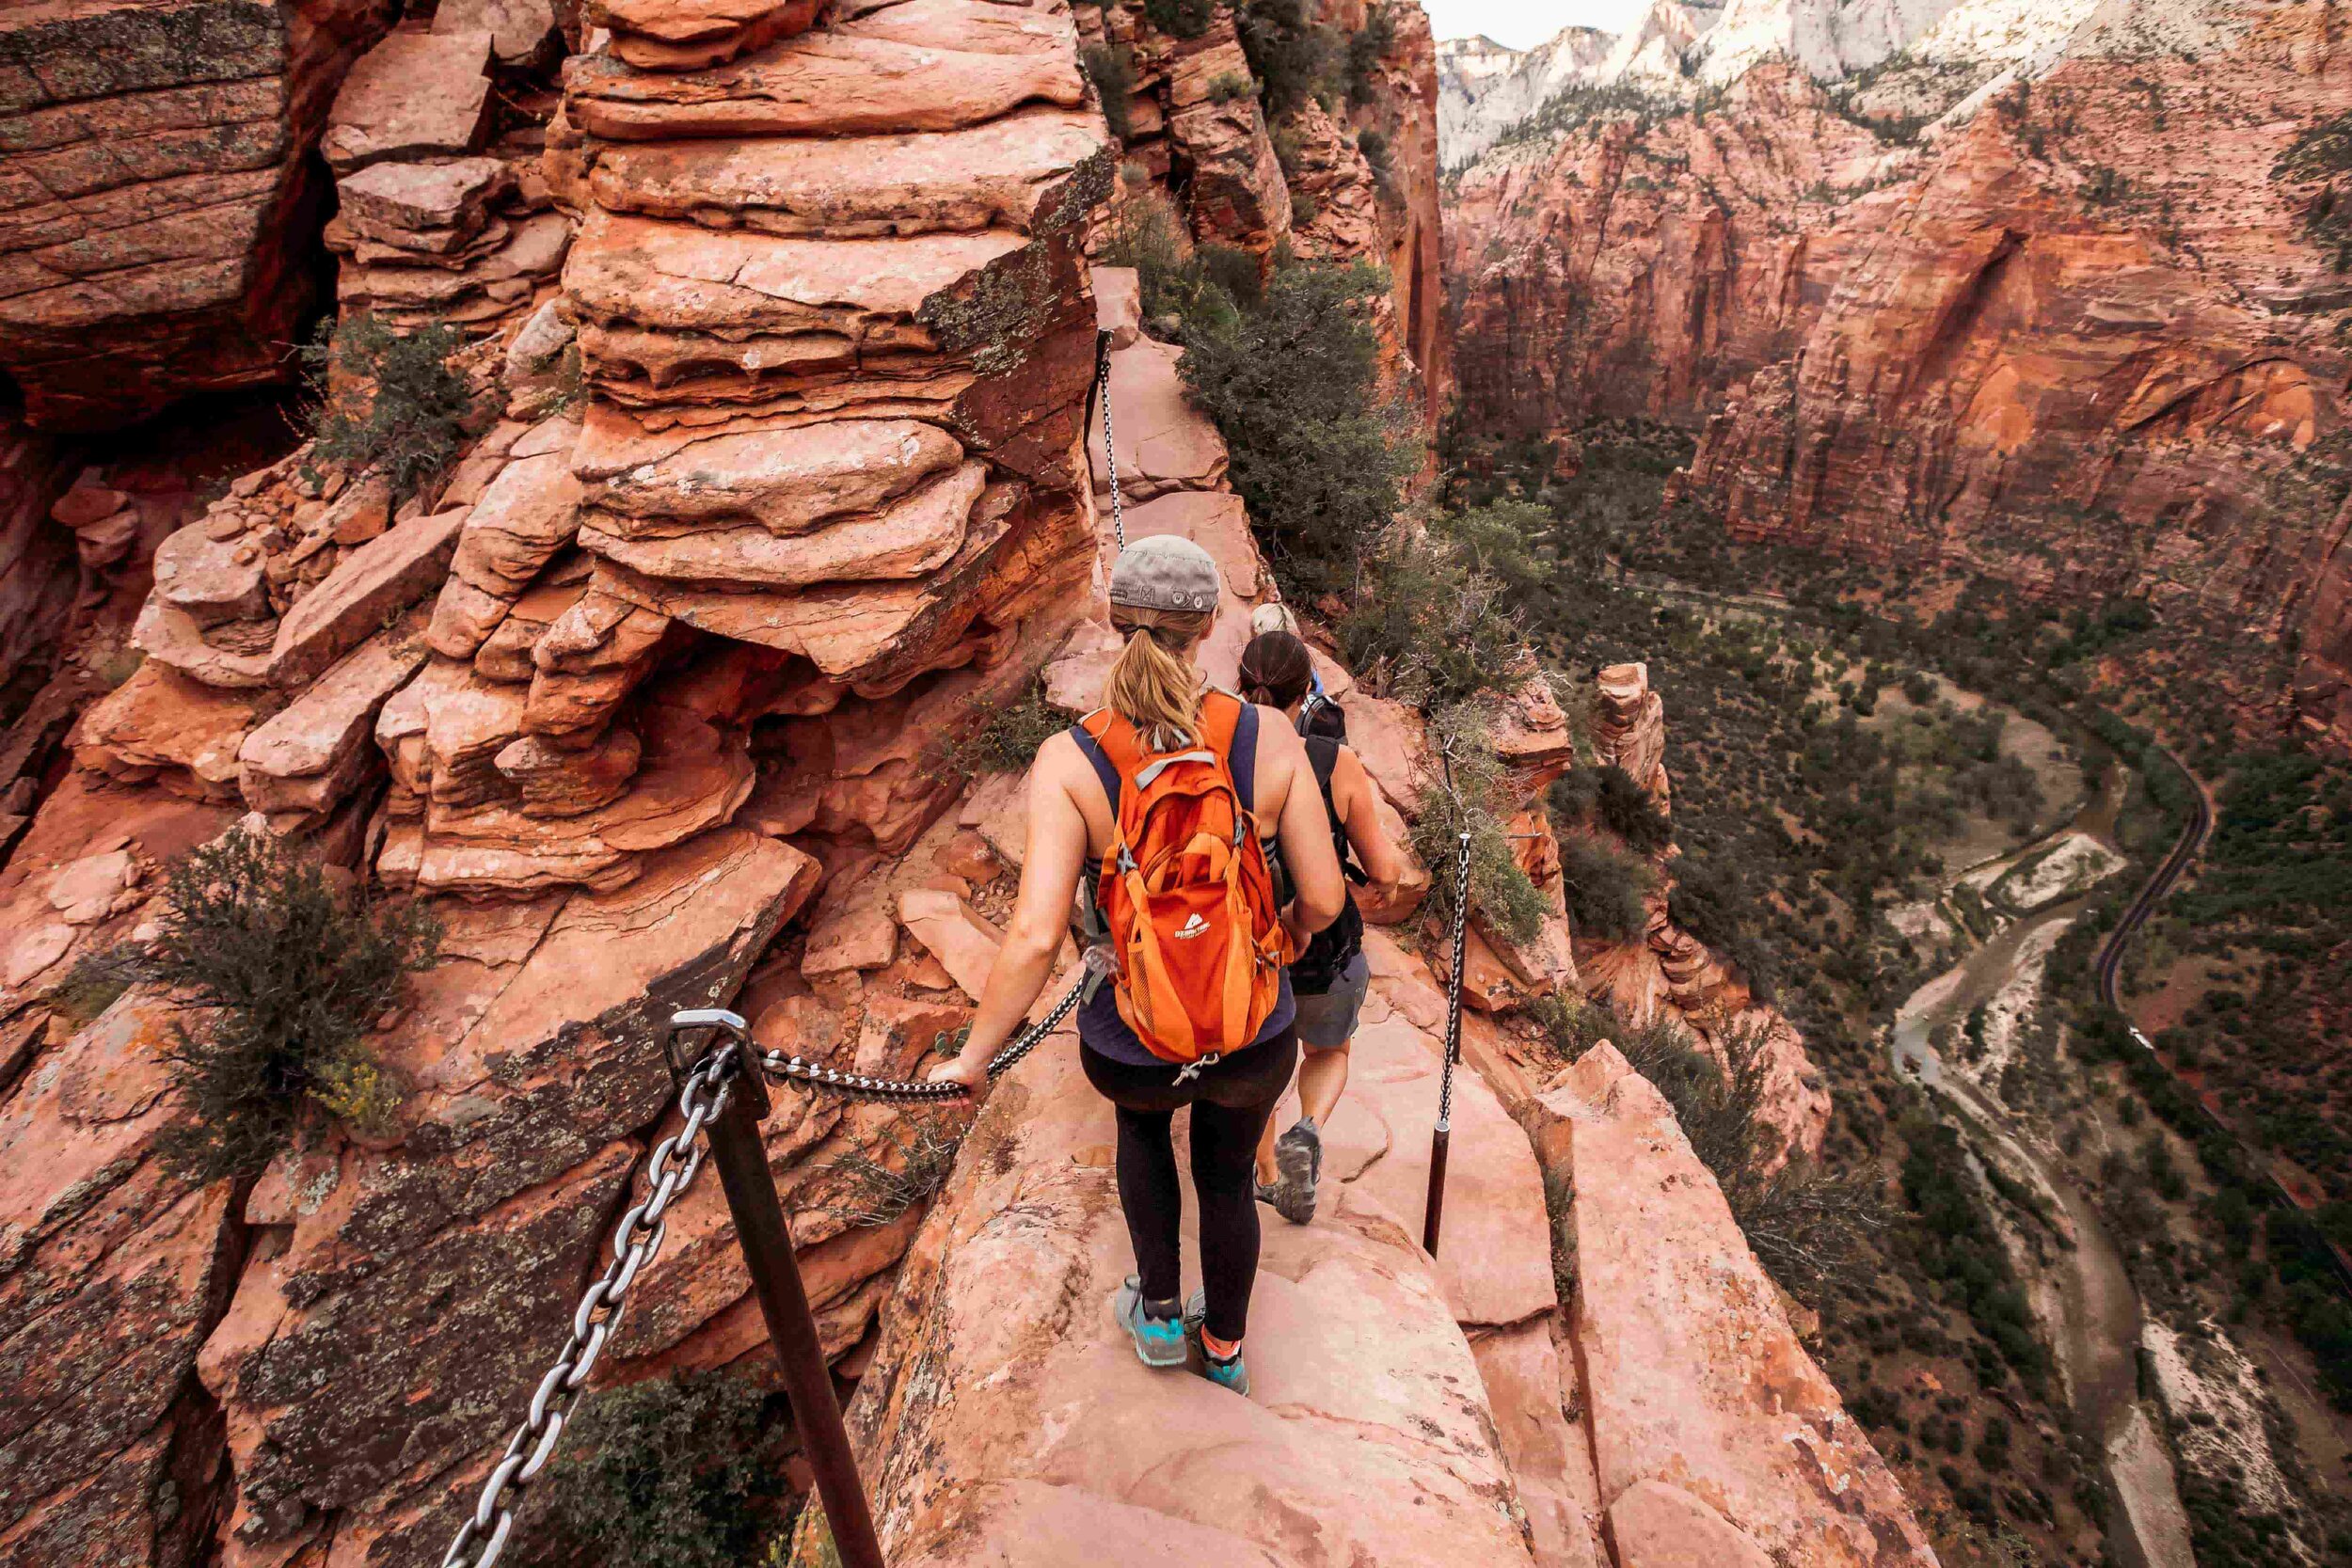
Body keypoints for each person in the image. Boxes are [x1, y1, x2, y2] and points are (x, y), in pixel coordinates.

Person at [930, 536, 1344, 1399]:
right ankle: (1225, 1350)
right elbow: (1328, 898)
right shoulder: (1268, 736)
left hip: (1135, 1026)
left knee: (1143, 1135)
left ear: (1119, 624)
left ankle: (1158, 1318)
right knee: (1228, 1179)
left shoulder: (1070, 760)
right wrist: (1291, 934)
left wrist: (973, 1058)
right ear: (1207, 628)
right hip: (1249, 1019)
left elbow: (1038, 935)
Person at [1233, 628, 1404, 1224]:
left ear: (1239, 684)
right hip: (1324, 947)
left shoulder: (1211, 757)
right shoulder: (1336, 762)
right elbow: (1384, 868)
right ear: (1307, 691)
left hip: (1241, 947)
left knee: (1252, 1067)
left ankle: (1264, 1174)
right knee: (1327, 1048)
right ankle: (1307, 1128)